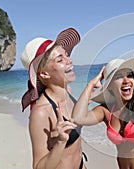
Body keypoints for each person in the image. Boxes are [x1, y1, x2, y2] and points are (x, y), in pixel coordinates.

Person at [21, 28, 86, 169]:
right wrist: (61, 142)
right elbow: (38, 166)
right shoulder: (41, 113)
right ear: (44, 74)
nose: (69, 60)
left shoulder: (68, 93)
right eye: (60, 59)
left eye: (66, 55)